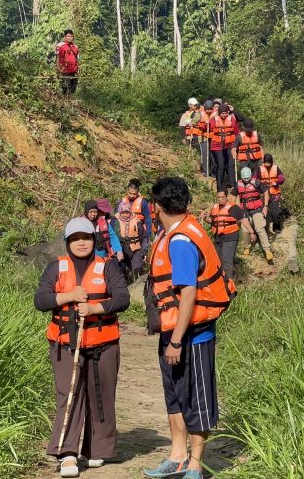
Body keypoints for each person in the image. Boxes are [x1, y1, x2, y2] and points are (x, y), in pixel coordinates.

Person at [143, 177, 236, 479]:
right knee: (174, 395)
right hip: (175, 332)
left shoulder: (181, 241)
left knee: (197, 398)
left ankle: (195, 464)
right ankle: (177, 455)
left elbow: (188, 294)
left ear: (157, 206)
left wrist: (177, 341)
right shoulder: (173, 232)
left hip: (191, 335)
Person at [34, 217, 130, 477]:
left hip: (104, 343)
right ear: (67, 242)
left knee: (101, 396)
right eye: (74, 239)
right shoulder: (56, 268)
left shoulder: (108, 267)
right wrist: (70, 296)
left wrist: (95, 308)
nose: (80, 243)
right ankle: (67, 453)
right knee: (69, 394)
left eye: (85, 238)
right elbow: (41, 300)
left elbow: (122, 298)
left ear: (93, 240)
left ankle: (97, 449)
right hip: (65, 344)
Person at [199, 190, 243, 280]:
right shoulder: (215, 207)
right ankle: (223, 280)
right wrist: (205, 217)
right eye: (218, 197)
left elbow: (241, 220)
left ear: (226, 197)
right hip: (218, 237)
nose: (220, 199)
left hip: (230, 236)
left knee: (227, 260)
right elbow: (212, 221)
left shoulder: (233, 208)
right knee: (219, 260)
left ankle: (229, 282)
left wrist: (251, 232)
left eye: (222, 197)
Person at [236, 167, 273, 264]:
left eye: (248, 178)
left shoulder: (257, 182)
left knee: (259, 228)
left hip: (257, 209)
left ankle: (267, 250)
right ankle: (247, 247)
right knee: (245, 230)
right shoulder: (238, 184)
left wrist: (265, 206)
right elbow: (233, 196)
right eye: (245, 179)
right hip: (244, 210)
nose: (246, 180)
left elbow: (265, 192)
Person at [116, 179, 153, 277]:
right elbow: (116, 219)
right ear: (127, 191)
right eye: (130, 193)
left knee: (138, 262)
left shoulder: (143, 202)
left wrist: (148, 235)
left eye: (134, 194)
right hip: (124, 235)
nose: (132, 195)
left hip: (138, 232)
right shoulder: (121, 202)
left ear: (138, 192)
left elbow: (148, 219)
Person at [207, 103, 238, 193]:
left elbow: (236, 132)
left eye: (226, 113)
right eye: (222, 113)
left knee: (231, 165)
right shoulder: (213, 120)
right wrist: (205, 125)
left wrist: (236, 146)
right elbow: (207, 128)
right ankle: (219, 186)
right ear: (219, 113)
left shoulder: (232, 120)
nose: (224, 115)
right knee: (221, 165)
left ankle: (233, 186)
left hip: (230, 145)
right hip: (217, 145)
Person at [258, 154, 287, 234]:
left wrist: (276, 182)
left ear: (271, 162)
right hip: (263, 193)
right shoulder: (259, 169)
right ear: (263, 162)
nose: (267, 165)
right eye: (265, 163)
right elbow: (254, 179)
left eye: (268, 163)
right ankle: (264, 229)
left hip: (274, 193)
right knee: (262, 212)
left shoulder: (276, 168)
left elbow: (282, 178)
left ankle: (277, 228)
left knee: (276, 211)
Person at [56, 30, 80, 96]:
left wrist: (78, 70)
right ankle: (65, 104)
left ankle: (70, 104)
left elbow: (77, 59)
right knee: (66, 89)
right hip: (65, 71)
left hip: (74, 71)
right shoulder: (60, 46)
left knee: (73, 90)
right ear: (65, 37)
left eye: (71, 36)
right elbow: (58, 58)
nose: (70, 38)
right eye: (68, 36)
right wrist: (59, 70)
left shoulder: (75, 47)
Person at [199, 100, 215, 178]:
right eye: (207, 109)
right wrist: (205, 125)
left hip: (213, 138)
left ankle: (213, 171)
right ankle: (206, 171)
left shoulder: (216, 114)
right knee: (205, 154)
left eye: (210, 109)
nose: (209, 111)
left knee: (213, 155)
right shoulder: (200, 114)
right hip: (204, 137)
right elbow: (197, 124)